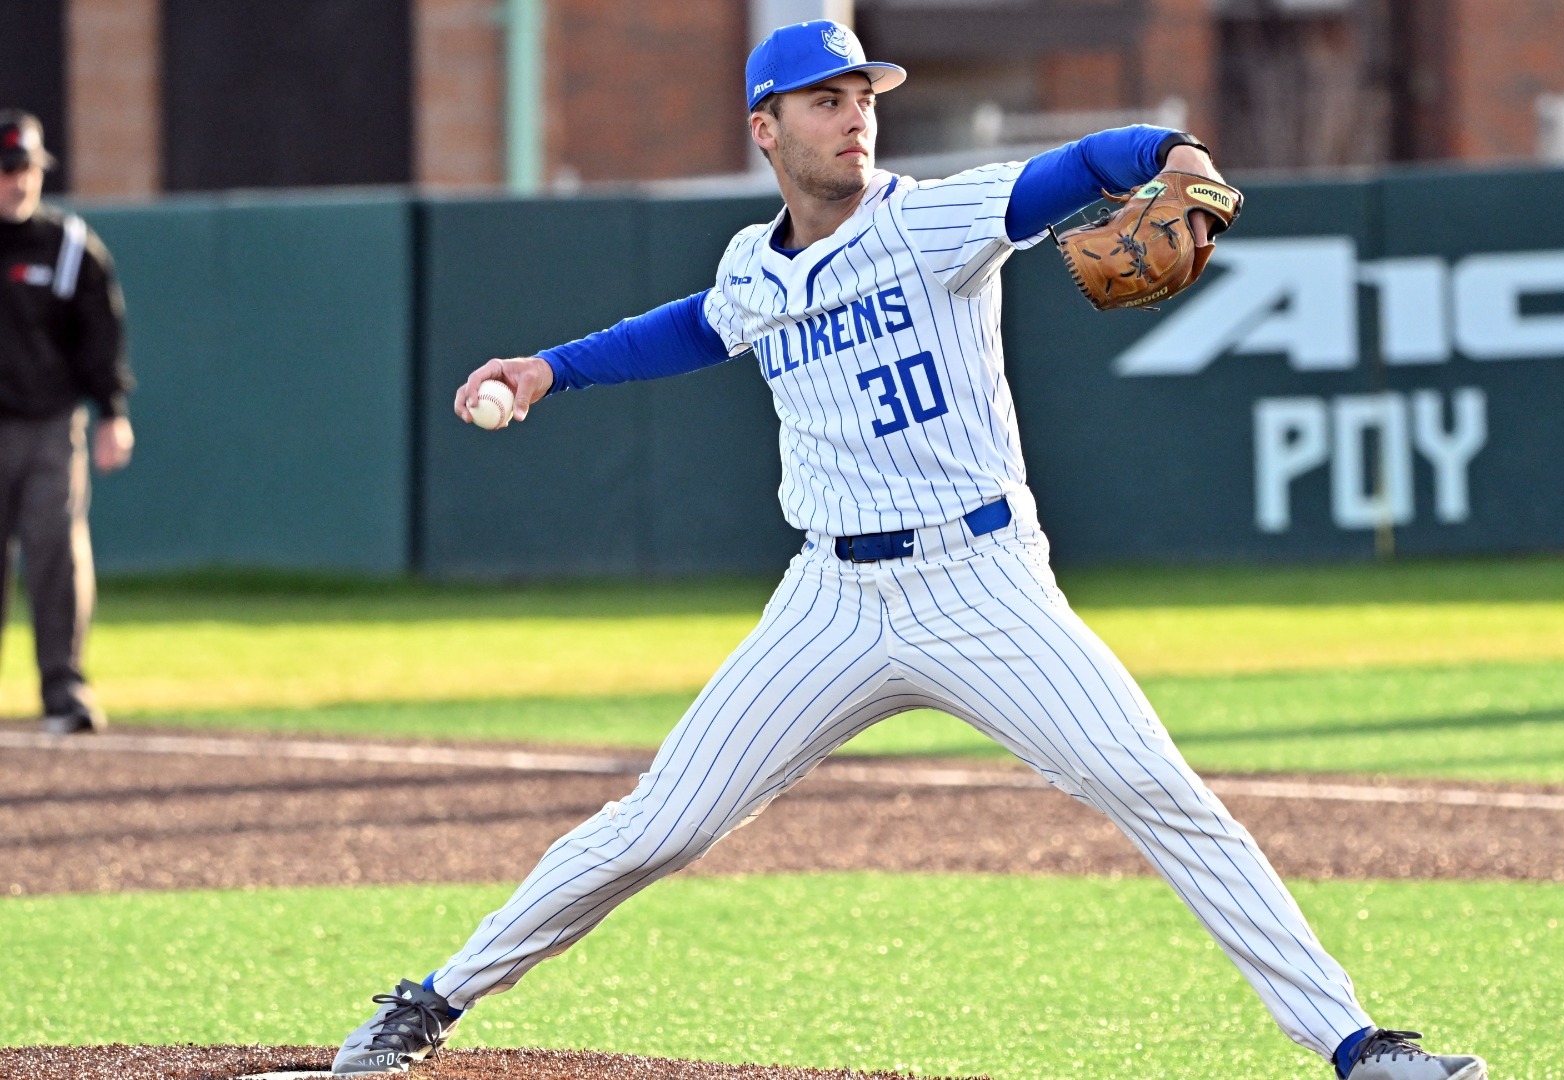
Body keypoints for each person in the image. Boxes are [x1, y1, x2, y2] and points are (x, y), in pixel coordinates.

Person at [331, 22, 1486, 1080]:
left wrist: (1174, 150)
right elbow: (692, 325)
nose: (854, 117)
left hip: (982, 584)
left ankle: (1354, 1045)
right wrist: (549, 368)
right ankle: (431, 1000)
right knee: (658, 823)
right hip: (830, 598)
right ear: (765, 126)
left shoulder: (928, 218)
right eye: (823, 100)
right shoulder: (751, 266)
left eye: (863, 96)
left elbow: (1074, 173)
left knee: (1154, 787)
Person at [0, 110, 133, 736]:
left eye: (24, 169)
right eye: (6, 171)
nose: (16, 182)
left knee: (56, 551)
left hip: (50, 426)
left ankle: (65, 688)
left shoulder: (70, 245)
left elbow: (100, 335)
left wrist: (112, 411)